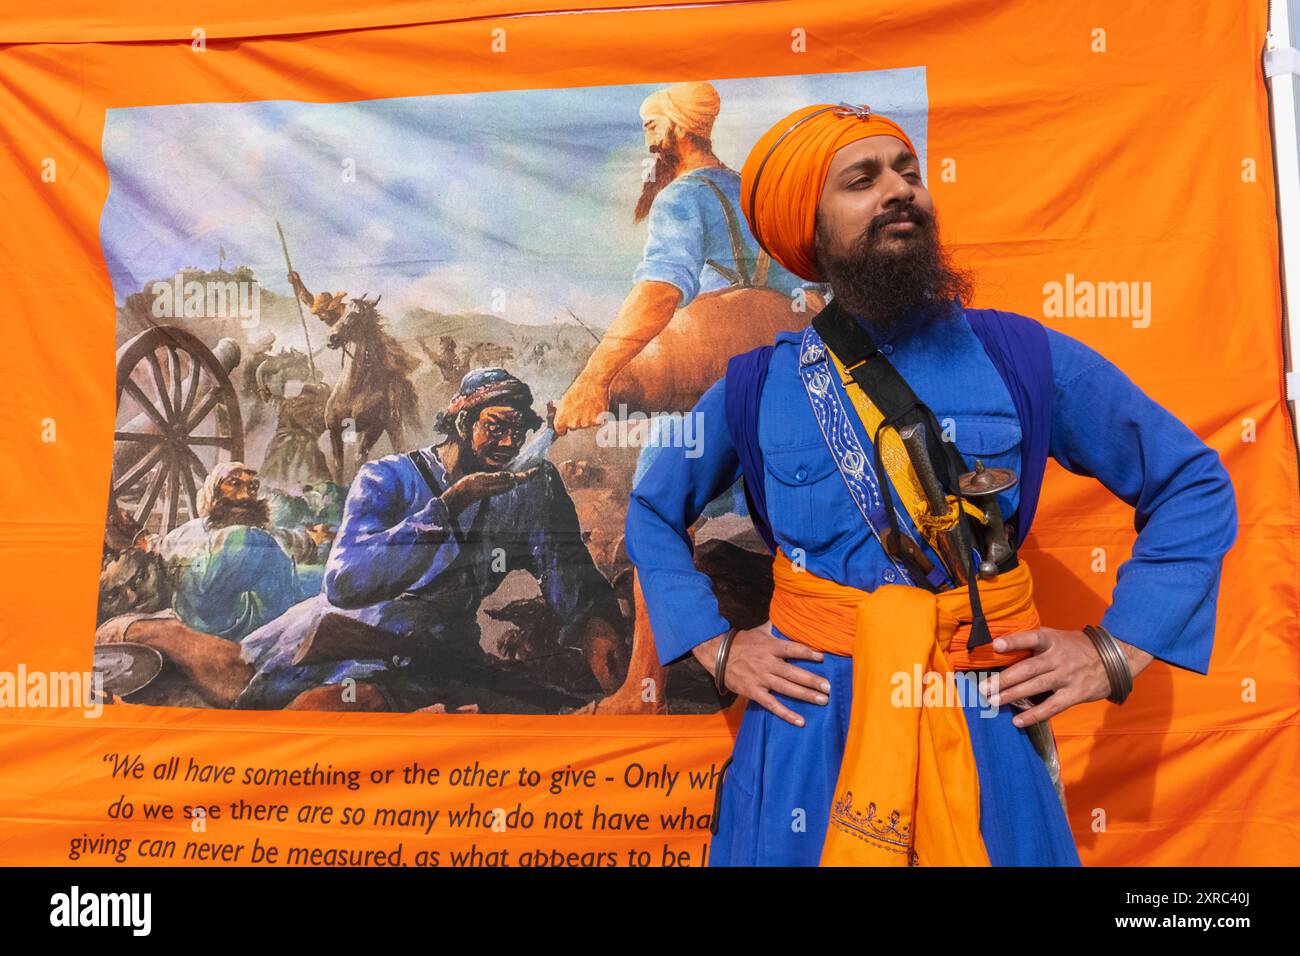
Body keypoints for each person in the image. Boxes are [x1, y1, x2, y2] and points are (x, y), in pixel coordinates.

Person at [624, 103, 1238, 866]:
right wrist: (716, 649)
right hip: (810, 725)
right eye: (863, 179)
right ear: (809, 230)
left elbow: (1191, 481)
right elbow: (651, 508)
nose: (899, 190)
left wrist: (1115, 651)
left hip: (983, 713)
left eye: (908, 173)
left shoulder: (1021, 355)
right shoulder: (754, 387)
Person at [236, 368, 627, 712]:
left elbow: (565, 566)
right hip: (353, 643)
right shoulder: (385, 478)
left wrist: (594, 625)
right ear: (461, 423)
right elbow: (345, 582)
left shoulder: (528, 489)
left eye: (518, 431)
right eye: (495, 427)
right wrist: (449, 506)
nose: (509, 443)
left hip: (439, 655)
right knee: (329, 707)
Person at [158, 462, 309, 640]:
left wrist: (311, 538)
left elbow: (289, 539)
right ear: (213, 492)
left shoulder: (263, 536)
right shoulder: (183, 536)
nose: (245, 495)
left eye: (252, 487)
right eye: (234, 484)